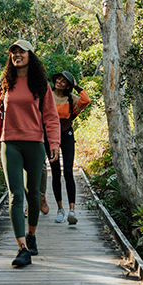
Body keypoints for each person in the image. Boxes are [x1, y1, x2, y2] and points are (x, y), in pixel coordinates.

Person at [0, 39, 60, 267]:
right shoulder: (3, 84)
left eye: (21, 51)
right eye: (13, 52)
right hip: (10, 145)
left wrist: (54, 143)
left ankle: (31, 235)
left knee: (33, 195)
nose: (16, 54)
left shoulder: (40, 85)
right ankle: (22, 248)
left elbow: (50, 116)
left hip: (34, 144)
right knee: (15, 195)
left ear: (30, 54)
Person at [50, 71, 89, 225]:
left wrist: (76, 86)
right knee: (55, 172)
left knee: (67, 172)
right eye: (59, 79)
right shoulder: (48, 95)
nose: (60, 81)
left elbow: (86, 100)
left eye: (64, 81)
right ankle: (60, 209)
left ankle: (72, 210)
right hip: (50, 135)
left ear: (68, 85)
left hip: (66, 133)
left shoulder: (70, 98)